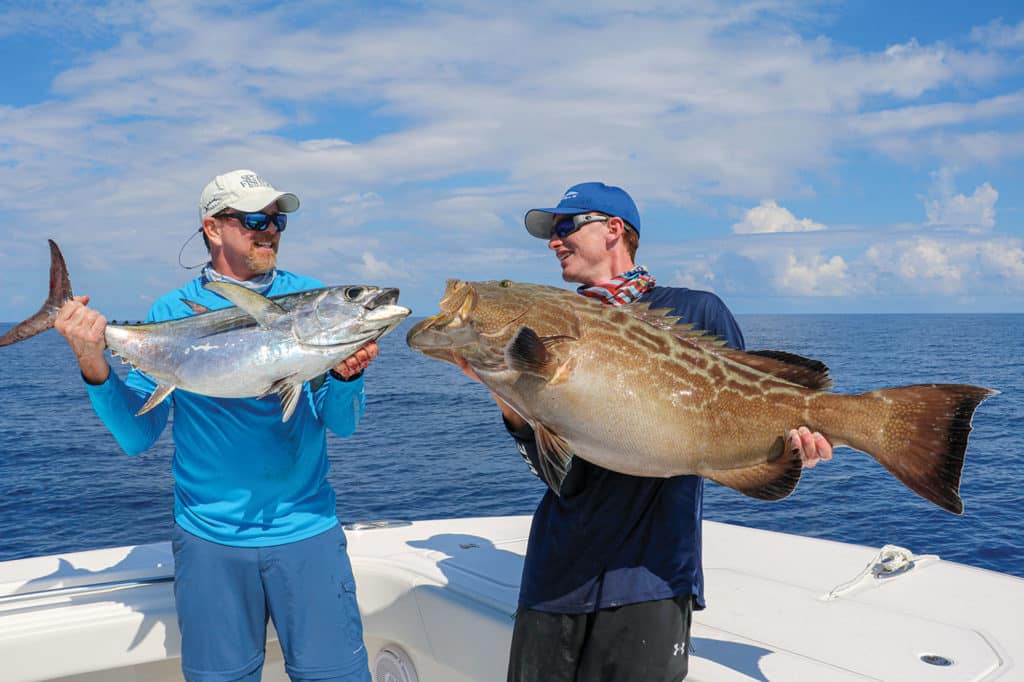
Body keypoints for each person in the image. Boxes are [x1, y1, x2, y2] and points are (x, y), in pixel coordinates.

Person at [456, 182, 833, 682]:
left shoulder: (696, 311)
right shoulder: (551, 327)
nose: (554, 241)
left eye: (566, 226)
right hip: (555, 575)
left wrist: (790, 449)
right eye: (551, 233)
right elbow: (558, 477)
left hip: (651, 579)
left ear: (614, 230)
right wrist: (505, 391)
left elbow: (751, 409)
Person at [54, 169, 376, 682]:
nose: (268, 229)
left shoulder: (315, 301)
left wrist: (346, 378)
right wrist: (94, 362)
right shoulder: (171, 310)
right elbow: (138, 438)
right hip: (209, 540)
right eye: (253, 219)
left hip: (306, 531)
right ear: (212, 227)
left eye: (277, 219)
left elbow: (343, 425)